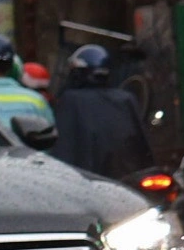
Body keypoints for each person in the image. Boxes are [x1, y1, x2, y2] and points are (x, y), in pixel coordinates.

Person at [51, 44, 152, 179]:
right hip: (129, 180)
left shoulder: (71, 100)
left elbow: (64, 150)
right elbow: (142, 146)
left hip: (89, 183)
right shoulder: (126, 99)